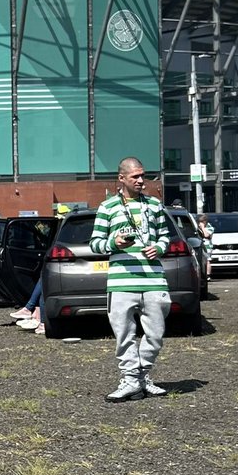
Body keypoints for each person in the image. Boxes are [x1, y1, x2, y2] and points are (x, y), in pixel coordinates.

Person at [89, 157, 171, 402]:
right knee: (124, 334)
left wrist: (159, 247)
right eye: (135, 176)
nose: (140, 180)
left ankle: (141, 376)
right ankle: (130, 379)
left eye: (142, 175)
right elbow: (95, 244)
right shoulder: (107, 207)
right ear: (121, 178)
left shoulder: (155, 205)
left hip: (154, 280)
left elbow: (166, 237)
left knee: (156, 334)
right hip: (121, 282)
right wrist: (115, 243)